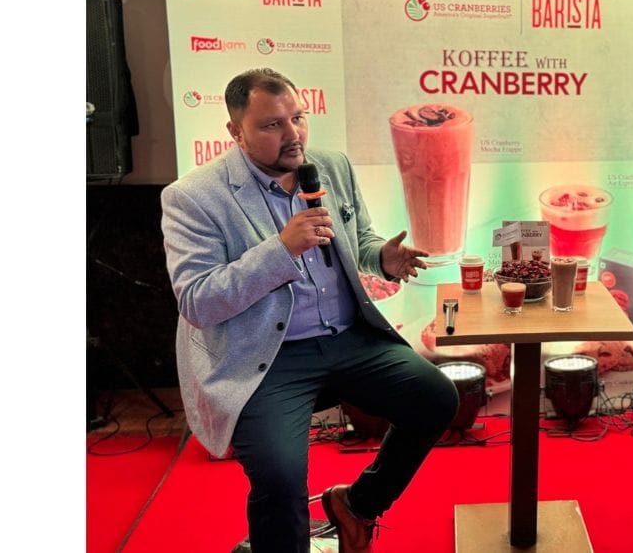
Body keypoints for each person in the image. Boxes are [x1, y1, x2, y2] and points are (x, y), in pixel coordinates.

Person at [160, 68, 458, 553]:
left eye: (298, 118)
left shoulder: (331, 166)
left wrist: (381, 257)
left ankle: (357, 506)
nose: (293, 134)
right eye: (272, 125)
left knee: (436, 399)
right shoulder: (193, 197)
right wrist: (281, 249)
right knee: (279, 478)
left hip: (348, 339)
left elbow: (359, 238)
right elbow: (198, 300)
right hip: (266, 357)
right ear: (235, 131)